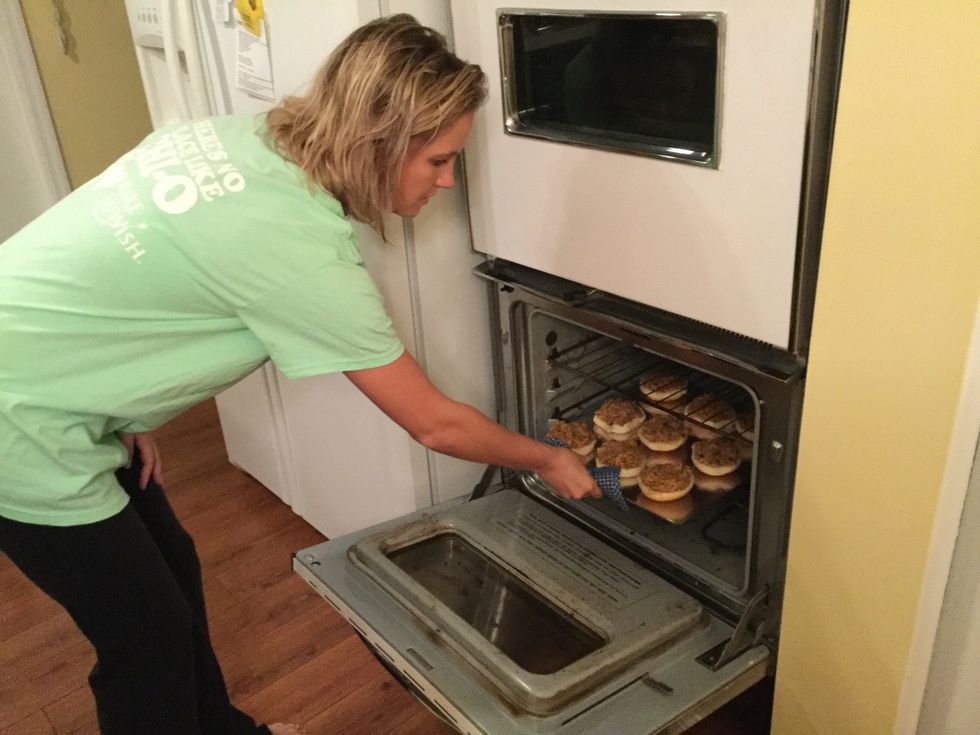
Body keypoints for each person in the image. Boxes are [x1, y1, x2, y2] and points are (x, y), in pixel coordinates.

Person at [0, 13, 600, 735]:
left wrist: (115, 413)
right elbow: (432, 421)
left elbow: (124, 268)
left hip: (39, 377)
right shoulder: (301, 253)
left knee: (174, 572)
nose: (446, 182)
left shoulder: (233, 139)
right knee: (144, 635)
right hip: (20, 429)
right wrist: (548, 458)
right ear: (377, 143)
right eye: (438, 160)